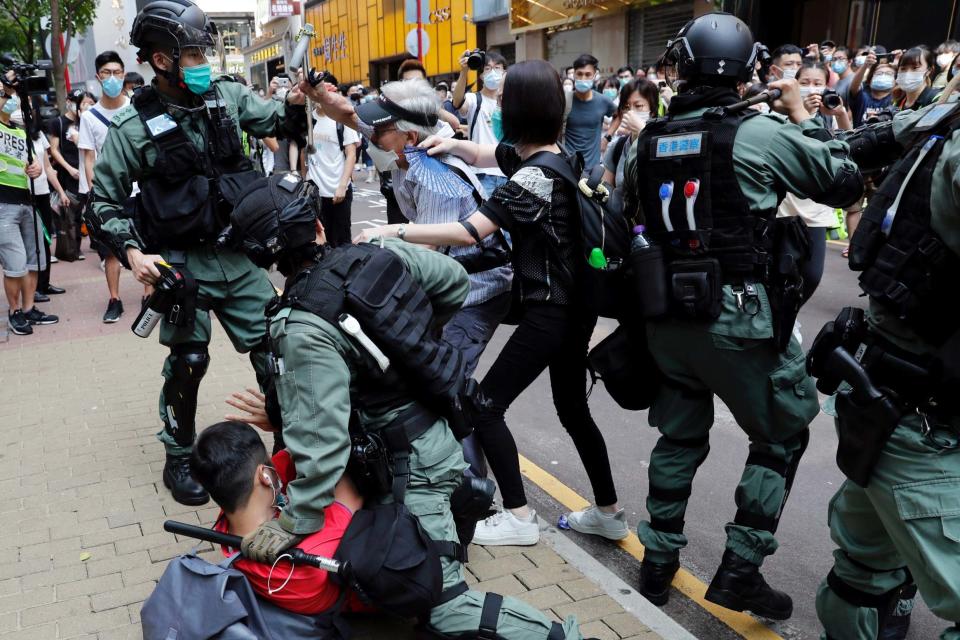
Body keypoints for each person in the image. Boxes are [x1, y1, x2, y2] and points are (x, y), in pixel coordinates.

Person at [224, 171, 585, 640]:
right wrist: (406, 339)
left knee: (445, 609)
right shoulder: (379, 253)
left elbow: (323, 442)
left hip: (412, 465)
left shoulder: (302, 327)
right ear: (318, 226)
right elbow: (453, 281)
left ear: (265, 260)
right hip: (431, 429)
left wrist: (294, 522)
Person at [621, 12, 862, 618]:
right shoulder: (758, 133)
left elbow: (626, 211)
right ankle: (740, 569)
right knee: (782, 434)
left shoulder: (646, 139)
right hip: (740, 323)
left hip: (667, 319)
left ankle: (657, 562)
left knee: (678, 434)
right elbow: (843, 182)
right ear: (748, 68)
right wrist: (804, 115)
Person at [352, 60, 626, 547]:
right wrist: (454, 143)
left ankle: (519, 518)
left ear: (516, 109)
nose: (496, 102)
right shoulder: (554, 156)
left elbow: (467, 231)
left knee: (485, 405)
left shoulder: (533, 179)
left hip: (551, 312)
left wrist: (392, 229)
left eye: (504, 99)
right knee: (572, 410)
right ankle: (608, 512)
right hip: (575, 306)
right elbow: (487, 154)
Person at [89, 0, 308, 505]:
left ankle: (289, 447)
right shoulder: (132, 128)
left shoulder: (226, 98)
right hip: (179, 263)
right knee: (189, 359)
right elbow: (101, 202)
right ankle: (179, 452)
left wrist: (300, 101)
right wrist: (133, 253)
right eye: (192, 54)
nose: (203, 62)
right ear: (162, 60)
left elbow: (283, 120)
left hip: (236, 256)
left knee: (275, 351)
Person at [809, 97, 960, 640]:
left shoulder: (942, 117)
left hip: (892, 403)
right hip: (926, 422)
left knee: (865, 568)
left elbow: (829, 156)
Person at [318, 79, 512, 480]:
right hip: (447, 284)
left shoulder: (433, 172)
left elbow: (429, 259)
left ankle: (471, 487)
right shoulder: (407, 152)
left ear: (407, 134)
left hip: (475, 291)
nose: (370, 134)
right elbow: (354, 117)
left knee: (447, 382)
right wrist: (317, 94)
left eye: (379, 130)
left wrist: (382, 246)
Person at [190, 421, 368, 616]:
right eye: (269, 460)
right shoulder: (309, 554)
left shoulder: (226, 523)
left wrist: (278, 422)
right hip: (342, 598)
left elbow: (287, 457)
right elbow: (352, 491)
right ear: (265, 475)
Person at [0, 70, 58, 336]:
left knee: (36, 259)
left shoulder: (21, 131)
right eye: (5, 93)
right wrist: (7, 86)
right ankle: (13, 312)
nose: (10, 97)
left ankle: (29, 308)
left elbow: (33, 163)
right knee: (16, 263)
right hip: (3, 206)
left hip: (28, 201)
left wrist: (35, 168)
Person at [79, 50, 130, 323]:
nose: (113, 78)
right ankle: (115, 299)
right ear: (98, 77)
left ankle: (149, 297)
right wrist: (94, 193)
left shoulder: (135, 107)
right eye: (107, 73)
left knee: (144, 245)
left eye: (118, 73)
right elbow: (89, 157)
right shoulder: (89, 117)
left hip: (138, 191)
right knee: (111, 251)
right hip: (108, 194)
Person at [305, 75, 360, 247]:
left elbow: (351, 153)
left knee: (342, 242)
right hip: (315, 192)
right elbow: (303, 151)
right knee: (319, 242)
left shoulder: (341, 118)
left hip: (338, 192)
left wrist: (343, 185)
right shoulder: (308, 119)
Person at [46, 89, 93, 266]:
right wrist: (69, 168)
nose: (83, 105)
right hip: (68, 174)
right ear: (68, 101)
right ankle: (71, 246)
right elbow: (54, 150)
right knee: (69, 212)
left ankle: (80, 244)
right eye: (77, 101)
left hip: (85, 171)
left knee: (84, 211)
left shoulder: (86, 121)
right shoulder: (57, 122)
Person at [453, 50, 509, 194]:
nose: (493, 72)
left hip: (507, 172)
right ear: (481, 75)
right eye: (487, 68)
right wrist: (464, 71)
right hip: (481, 173)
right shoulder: (474, 99)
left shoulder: (511, 103)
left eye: (497, 68)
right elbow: (457, 102)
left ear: (504, 72)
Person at [601, 78, 659, 215]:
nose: (631, 113)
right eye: (626, 107)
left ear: (652, 110)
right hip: (622, 227)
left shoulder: (663, 144)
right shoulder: (617, 147)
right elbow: (605, 191)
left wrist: (643, 132)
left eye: (638, 106)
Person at [565, 54, 616, 169]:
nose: (583, 78)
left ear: (594, 76)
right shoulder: (565, 100)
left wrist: (607, 138)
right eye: (579, 74)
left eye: (588, 74)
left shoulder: (603, 101)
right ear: (574, 75)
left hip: (592, 168)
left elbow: (618, 115)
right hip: (568, 165)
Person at [849, 49, 896, 127]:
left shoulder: (895, 100)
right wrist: (865, 65)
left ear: (895, 81)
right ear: (870, 79)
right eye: (879, 73)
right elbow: (854, 87)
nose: (883, 76)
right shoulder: (863, 96)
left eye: (888, 74)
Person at [894, 46, 938, 111]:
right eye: (903, 69)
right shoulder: (897, 103)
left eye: (915, 68)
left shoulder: (935, 99)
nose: (907, 73)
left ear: (929, 71)